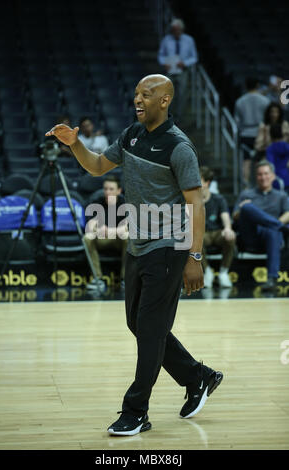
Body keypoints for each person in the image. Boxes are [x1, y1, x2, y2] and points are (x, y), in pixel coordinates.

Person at [46, 74, 223, 437]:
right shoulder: (131, 135)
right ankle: (197, 376)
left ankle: (136, 411)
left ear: (165, 100)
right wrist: (74, 143)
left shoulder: (179, 147)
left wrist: (195, 257)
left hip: (170, 247)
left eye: (147, 94)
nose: (138, 100)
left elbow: (197, 207)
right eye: (136, 94)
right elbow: (97, 166)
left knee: (150, 331)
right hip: (138, 243)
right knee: (139, 325)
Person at [233, 160, 289, 291]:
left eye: (266, 174)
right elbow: (235, 216)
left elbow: (288, 213)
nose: (263, 177)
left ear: (273, 176)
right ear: (256, 177)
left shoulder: (281, 195)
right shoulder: (246, 194)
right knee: (247, 207)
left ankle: (272, 280)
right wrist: (242, 209)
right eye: (259, 174)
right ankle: (281, 228)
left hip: (271, 237)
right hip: (251, 235)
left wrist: (276, 224)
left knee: (272, 230)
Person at [84, 175, 128, 290]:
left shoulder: (125, 203)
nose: (108, 192)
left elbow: (128, 227)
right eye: (105, 189)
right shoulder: (96, 202)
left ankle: (126, 279)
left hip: (120, 240)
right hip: (103, 239)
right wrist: (99, 229)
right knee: (87, 238)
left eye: (111, 189)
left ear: (119, 191)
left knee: (129, 237)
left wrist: (110, 230)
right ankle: (97, 279)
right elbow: (91, 225)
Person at [200, 166, 236, 288]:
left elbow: (225, 217)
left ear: (207, 183)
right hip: (202, 233)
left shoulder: (218, 199)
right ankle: (207, 272)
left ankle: (223, 273)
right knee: (193, 239)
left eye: (198, 180)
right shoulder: (191, 200)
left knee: (230, 236)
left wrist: (227, 228)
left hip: (217, 232)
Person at [158, 18, 198, 125]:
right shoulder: (166, 40)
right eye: (173, 30)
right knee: (167, 94)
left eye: (177, 30)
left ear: (181, 29)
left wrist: (185, 63)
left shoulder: (189, 40)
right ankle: (167, 117)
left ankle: (179, 118)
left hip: (182, 71)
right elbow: (161, 55)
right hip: (170, 70)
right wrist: (164, 63)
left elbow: (194, 57)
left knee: (182, 94)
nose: (175, 32)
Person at [234, 77, 270, 185]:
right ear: (258, 85)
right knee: (261, 161)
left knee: (246, 161)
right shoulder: (265, 100)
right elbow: (268, 120)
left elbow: (237, 121)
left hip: (245, 134)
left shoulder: (240, 101)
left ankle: (245, 185)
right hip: (260, 134)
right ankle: (261, 184)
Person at [266, 124, 289, 193]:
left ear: (270, 134)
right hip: (287, 178)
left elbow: (271, 165)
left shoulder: (270, 149)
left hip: (275, 180)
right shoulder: (286, 146)